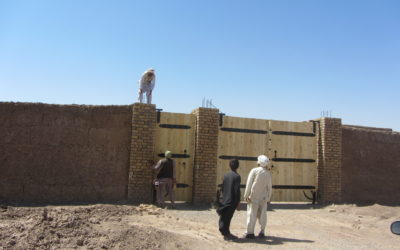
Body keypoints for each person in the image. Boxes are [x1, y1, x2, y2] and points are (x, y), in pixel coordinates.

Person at [243, 155, 273, 239]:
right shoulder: (268, 173)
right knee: (262, 215)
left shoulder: (254, 171)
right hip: (263, 198)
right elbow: (269, 187)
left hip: (253, 197)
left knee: (251, 214)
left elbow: (249, 184)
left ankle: (250, 233)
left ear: (259, 162)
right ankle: (262, 231)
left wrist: (246, 195)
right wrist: (268, 197)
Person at [217, 159, 241, 241]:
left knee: (224, 217)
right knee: (228, 218)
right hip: (232, 201)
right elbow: (237, 190)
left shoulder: (226, 175)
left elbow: (223, 188)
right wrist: (238, 202)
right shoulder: (237, 176)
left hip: (225, 199)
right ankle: (226, 234)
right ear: (237, 166)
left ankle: (226, 232)